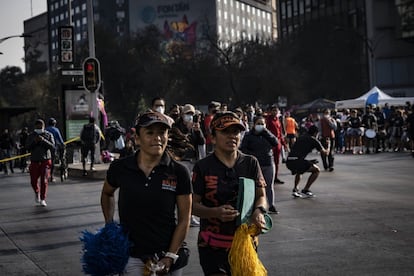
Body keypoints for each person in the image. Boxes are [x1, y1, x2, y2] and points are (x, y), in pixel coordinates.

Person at [101, 111, 192, 275]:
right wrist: (109, 224)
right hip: (132, 255)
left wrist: (170, 256)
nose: (157, 138)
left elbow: (184, 218)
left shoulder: (179, 172)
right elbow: (107, 193)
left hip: (168, 255)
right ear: (137, 138)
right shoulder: (120, 168)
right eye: (150, 133)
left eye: (161, 132)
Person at [192, 111, 268, 275]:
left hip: (245, 244)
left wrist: (259, 211)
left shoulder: (250, 163)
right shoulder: (203, 167)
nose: (232, 136)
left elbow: (261, 195)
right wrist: (214, 212)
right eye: (225, 132)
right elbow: (192, 205)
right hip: (212, 246)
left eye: (236, 132)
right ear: (213, 138)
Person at [240, 115, 279, 214]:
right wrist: (253, 155)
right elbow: (243, 149)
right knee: (255, 186)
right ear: (254, 124)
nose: (260, 126)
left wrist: (266, 131)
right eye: (258, 124)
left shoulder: (267, 134)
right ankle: (254, 207)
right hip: (255, 165)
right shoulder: (249, 135)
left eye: (262, 124)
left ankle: (271, 205)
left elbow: (275, 142)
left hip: (268, 163)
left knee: (269, 186)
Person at [286, 125, 328, 198]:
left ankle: (295, 189)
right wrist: (329, 144)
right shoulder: (314, 140)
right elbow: (325, 153)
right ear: (315, 133)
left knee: (300, 170)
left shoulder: (301, 137)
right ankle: (306, 189)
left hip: (289, 161)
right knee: (316, 170)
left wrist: (308, 161)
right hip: (298, 161)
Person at [26, 119, 55, 207]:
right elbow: (27, 147)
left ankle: (43, 199)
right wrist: (35, 141)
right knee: (33, 181)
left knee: (44, 180)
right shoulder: (31, 136)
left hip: (45, 161)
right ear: (35, 127)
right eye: (37, 127)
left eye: (41, 127)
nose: (39, 128)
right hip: (34, 161)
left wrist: (43, 140)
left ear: (43, 126)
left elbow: (52, 146)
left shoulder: (48, 135)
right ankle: (37, 192)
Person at [266, 105, 286, 184]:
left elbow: (280, 132)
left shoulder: (278, 120)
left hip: (278, 143)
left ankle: (275, 177)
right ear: (270, 111)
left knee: (277, 161)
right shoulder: (268, 120)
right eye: (273, 110)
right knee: (269, 161)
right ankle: (268, 177)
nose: (275, 112)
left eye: (276, 110)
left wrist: (283, 143)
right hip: (270, 143)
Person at [45, 118, 66, 182]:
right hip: (53, 148)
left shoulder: (45, 130)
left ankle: (46, 175)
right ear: (54, 124)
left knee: (46, 162)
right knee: (52, 162)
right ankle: (51, 176)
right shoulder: (56, 130)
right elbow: (60, 140)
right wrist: (63, 144)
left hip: (45, 148)